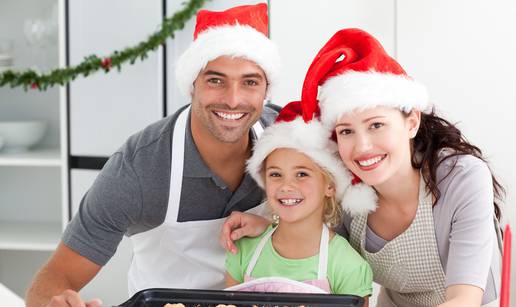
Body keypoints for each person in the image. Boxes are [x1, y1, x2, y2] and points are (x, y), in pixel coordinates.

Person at [221, 28, 504, 307]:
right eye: (346, 131)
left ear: (411, 121)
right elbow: (315, 236)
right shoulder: (348, 192)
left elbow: (464, 299)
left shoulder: (461, 177)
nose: (363, 146)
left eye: (376, 125)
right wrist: (270, 225)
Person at [25, 4, 281, 307]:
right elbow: (54, 279)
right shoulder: (139, 169)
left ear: (266, 90)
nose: (233, 99)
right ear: (192, 86)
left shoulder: (289, 139)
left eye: (250, 82)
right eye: (215, 80)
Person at [224, 101, 373, 302]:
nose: (286, 186)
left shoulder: (347, 265)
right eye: (275, 174)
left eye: (301, 174)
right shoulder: (243, 251)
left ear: (330, 185)